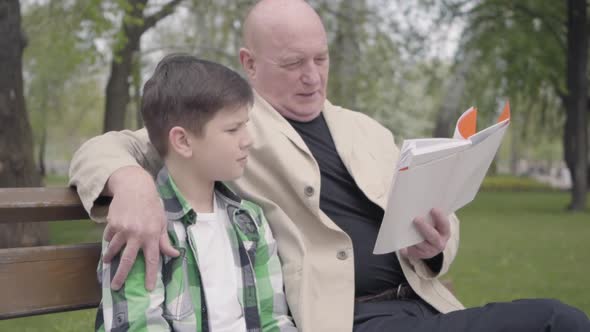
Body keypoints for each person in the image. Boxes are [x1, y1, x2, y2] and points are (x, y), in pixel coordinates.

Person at [70, 0, 590, 331]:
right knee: (554, 321)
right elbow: (108, 148)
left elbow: (439, 222)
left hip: (424, 302)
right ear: (248, 64)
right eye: (294, 64)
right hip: (346, 318)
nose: (313, 78)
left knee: (561, 319)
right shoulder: (230, 127)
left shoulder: (366, 128)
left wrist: (436, 243)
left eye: (320, 59)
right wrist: (132, 181)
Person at [94, 54, 296, 332]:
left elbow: (273, 320)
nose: (248, 139)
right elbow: (138, 325)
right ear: (183, 141)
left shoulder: (250, 221)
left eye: (245, 125)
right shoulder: (142, 226)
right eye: (233, 129)